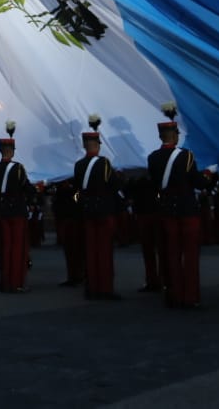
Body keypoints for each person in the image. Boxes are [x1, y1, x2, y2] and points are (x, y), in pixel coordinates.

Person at [148, 103, 206, 309]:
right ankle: (190, 296)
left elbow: (155, 183)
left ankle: (173, 293)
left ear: (160, 136)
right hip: (187, 210)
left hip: (166, 209)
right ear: (176, 135)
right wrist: (209, 178)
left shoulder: (153, 158)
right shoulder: (187, 156)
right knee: (189, 255)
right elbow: (198, 183)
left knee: (171, 253)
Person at [74, 114, 120, 300]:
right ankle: (105, 288)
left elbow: (78, 188)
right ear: (98, 145)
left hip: (86, 210)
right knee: (104, 251)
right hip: (103, 211)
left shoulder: (79, 165)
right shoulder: (104, 163)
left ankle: (91, 287)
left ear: (85, 146)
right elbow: (114, 186)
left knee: (90, 251)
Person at [0, 121, 33, 293]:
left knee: (5, 246)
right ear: (12, 151)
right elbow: (26, 187)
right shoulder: (18, 168)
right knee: (17, 247)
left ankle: (5, 281)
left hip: (2, 211)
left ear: (1, 151)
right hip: (16, 211)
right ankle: (16, 282)